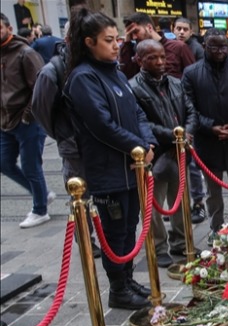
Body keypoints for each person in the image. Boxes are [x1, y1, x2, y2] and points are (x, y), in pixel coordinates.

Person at [63, 7, 156, 310]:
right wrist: (136, 147)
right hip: (108, 170)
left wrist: (147, 143)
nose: (117, 45)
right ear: (89, 42)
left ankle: (127, 280)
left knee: (129, 227)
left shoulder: (114, 72)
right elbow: (102, 125)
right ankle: (118, 288)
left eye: (117, 39)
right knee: (115, 232)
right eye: (109, 40)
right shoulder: (83, 78)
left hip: (131, 167)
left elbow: (137, 111)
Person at [129, 40, 198, 268]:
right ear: (140, 60)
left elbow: (190, 111)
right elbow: (142, 122)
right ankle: (159, 247)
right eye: (153, 58)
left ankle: (181, 241)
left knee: (180, 201)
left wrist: (186, 133)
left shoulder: (176, 83)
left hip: (179, 151)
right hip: (156, 154)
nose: (160, 62)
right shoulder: (134, 87)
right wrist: (172, 135)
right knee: (154, 205)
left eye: (162, 57)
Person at [31, 38, 102, 256]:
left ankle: (105, 236)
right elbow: (41, 109)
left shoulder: (94, 64)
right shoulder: (52, 71)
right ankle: (85, 239)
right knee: (80, 196)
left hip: (99, 143)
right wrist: (62, 135)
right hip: (73, 146)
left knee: (102, 194)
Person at [182, 28, 228, 236]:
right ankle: (216, 228)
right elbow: (189, 107)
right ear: (204, 46)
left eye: (224, 46)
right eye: (214, 46)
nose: (220, 50)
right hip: (207, 142)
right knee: (213, 193)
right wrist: (210, 126)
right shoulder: (191, 73)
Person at [1, 13, 53, 229]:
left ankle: (40, 210)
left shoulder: (25, 53)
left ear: (9, 28)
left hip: (26, 120)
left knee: (32, 167)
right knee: (4, 162)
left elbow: (41, 87)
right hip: (5, 121)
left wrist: (28, 115)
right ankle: (40, 192)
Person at [173, 17, 207, 223]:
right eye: (178, 28)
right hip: (175, 113)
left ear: (191, 30)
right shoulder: (169, 47)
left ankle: (197, 202)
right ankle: (178, 204)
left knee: (193, 165)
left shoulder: (195, 51)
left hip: (190, 114)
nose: (182, 32)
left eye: (185, 29)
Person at [120, 12, 195, 79]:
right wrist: (127, 43)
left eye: (136, 32)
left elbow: (193, 76)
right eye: (131, 34)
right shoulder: (138, 53)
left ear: (149, 27)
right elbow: (127, 76)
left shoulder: (179, 47)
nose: (134, 37)